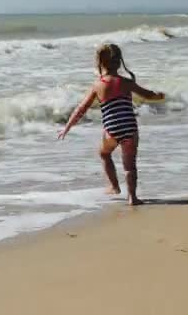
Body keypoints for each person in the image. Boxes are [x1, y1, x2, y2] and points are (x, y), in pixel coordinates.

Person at [57, 44, 165, 206]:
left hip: (111, 130)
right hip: (130, 128)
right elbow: (148, 95)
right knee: (130, 165)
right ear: (120, 63)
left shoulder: (98, 85)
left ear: (100, 63)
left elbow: (81, 109)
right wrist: (160, 96)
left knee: (104, 154)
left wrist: (67, 127)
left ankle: (114, 186)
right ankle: (132, 197)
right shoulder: (126, 82)